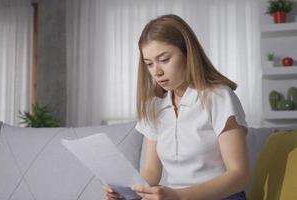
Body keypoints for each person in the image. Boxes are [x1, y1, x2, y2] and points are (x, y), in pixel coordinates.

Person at [102, 14, 249, 200]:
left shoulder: (219, 97)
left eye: (164, 59)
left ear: (188, 53)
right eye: (149, 64)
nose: (157, 71)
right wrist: (126, 190)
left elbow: (239, 175)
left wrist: (179, 196)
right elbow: (151, 171)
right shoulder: (154, 105)